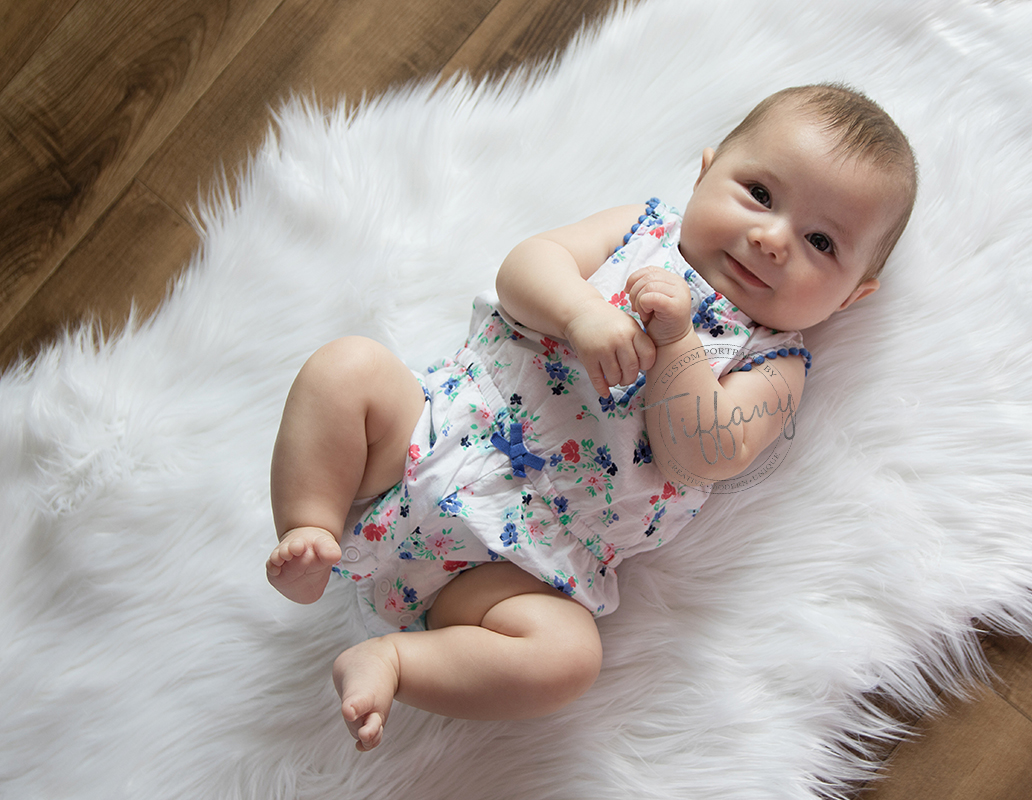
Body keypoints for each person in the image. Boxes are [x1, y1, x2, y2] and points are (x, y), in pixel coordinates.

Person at [265, 83, 917, 750]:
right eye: (759, 193)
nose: (772, 239)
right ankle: (312, 527)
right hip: (430, 430)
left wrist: (677, 344)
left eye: (820, 241)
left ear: (851, 296)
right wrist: (580, 314)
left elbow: (705, 456)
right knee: (347, 367)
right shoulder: (643, 231)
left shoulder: (776, 364)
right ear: (705, 173)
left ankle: (396, 661)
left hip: (516, 563)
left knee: (567, 658)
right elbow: (526, 268)